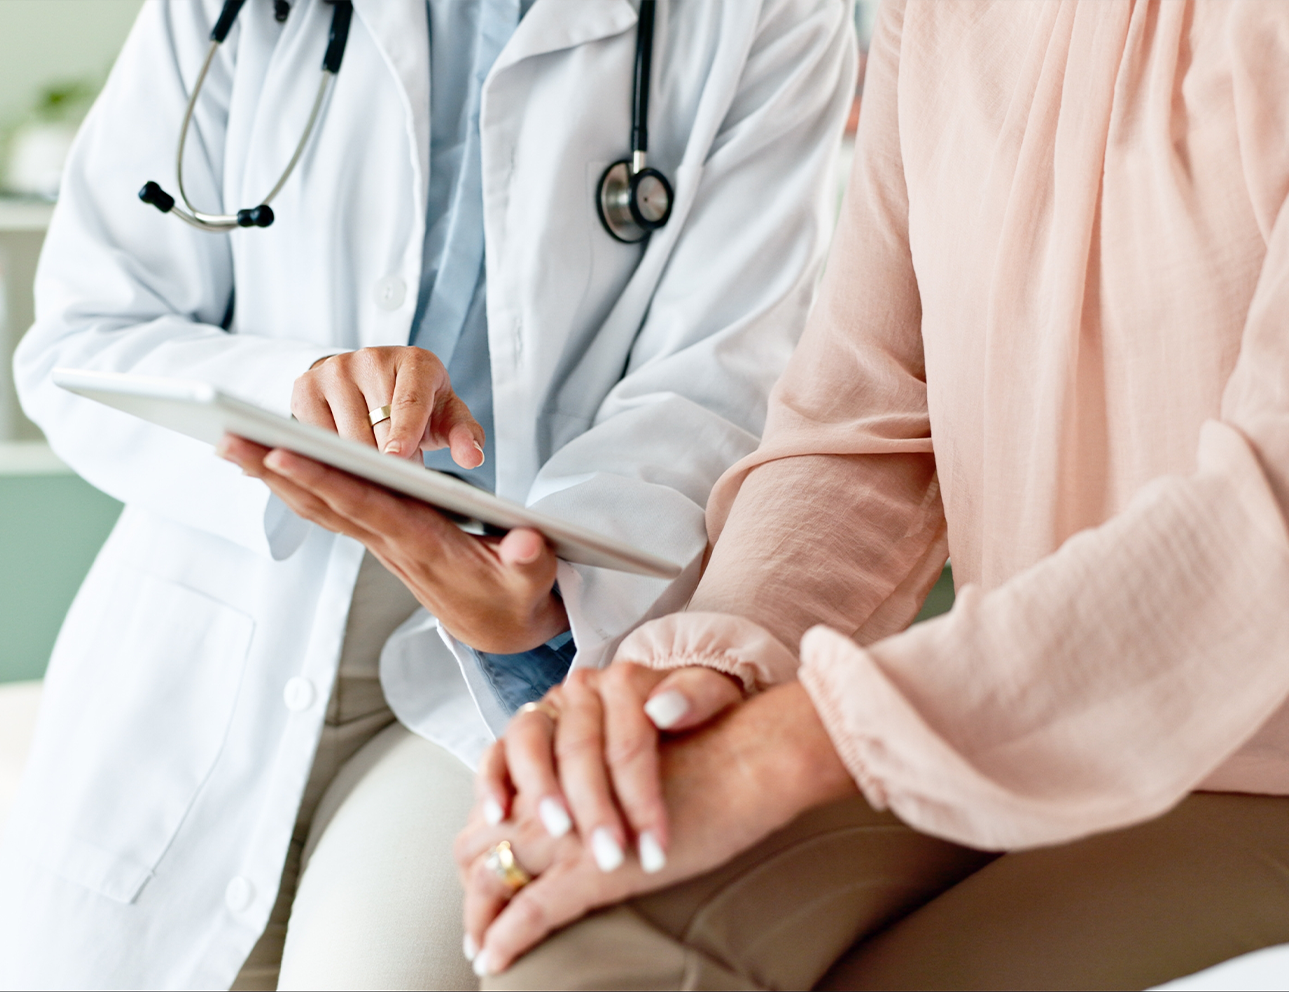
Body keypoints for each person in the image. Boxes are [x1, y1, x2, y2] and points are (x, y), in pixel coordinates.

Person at [0, 0, 856, 988]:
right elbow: (82, 336)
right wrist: (300, 395)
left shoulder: (764, 17)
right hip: (227, 616)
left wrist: (538, 593)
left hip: (514, 655)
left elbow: (715, 385)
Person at [455, 1, 1289, 987]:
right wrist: (682, 685)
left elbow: (1263, 520)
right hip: (982, 718)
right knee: (585, 944)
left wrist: (800, 742)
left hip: (1253, 765)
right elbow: (862, 421)